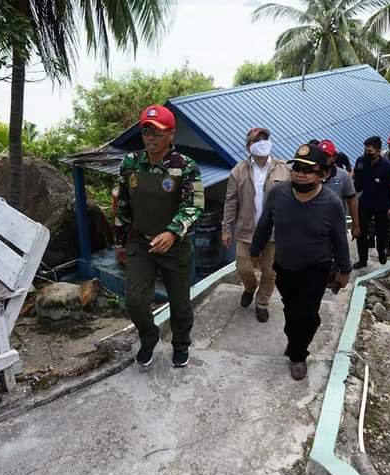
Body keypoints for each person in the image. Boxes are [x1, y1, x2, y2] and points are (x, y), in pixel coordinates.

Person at [250, 143, 352, 380]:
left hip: (316, 269)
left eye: (308, 170)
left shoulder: (331, 203)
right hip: (285, 266)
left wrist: (344, 270)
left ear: (322, 175)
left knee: (307, 316)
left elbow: (339, 239)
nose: (300, 173)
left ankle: (298, 355)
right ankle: (295, 339)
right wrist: (256, 249)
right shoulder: (278, 194)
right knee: (291, 311)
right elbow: (265, 223)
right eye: (297, 168)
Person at [115, 104, 204, 369]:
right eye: (146, 131)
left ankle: (180, 344)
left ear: (171, 135)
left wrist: (173, 232)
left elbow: (194, 205)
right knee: (134, 300)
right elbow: (123, 205)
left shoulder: (185, 166)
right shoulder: (130, 163)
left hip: (174, 246)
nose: (151, 138)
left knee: (179, 303)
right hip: (140, 243)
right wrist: (120, 241)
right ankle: (149, 336)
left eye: (157, 132)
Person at [222, 127, 290, 322]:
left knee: (270, 271)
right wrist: (226, 228)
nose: (262, 142)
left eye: (265, 138)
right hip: (246, 230)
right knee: (243, 267)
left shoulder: (284, 169)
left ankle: (262, 303)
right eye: (256, 140)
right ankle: (250, 288)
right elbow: (230, 201)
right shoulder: (238, 171)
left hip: (275, 233)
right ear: (248, 146)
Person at [353, 136, 390, 268]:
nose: (367, 153)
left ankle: (381, 252)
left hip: (382, 205)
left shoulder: (387, 167)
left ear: (378, 151)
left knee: (382, 232)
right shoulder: (361, 161)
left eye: (370, 151)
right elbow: (356, 179)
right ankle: (363, 259)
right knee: (361, 232)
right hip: (365, 203)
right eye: (366, 150)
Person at [318, 139, 360, 239]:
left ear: (334, 157)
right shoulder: (309, 175)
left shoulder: (343, 176)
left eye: (327, 156)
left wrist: (356, 225)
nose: (324, 159)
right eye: (321, 156)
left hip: (337, 228)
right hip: (314, 227)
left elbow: (351, 201)